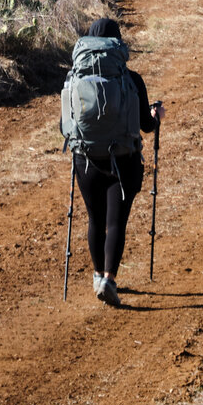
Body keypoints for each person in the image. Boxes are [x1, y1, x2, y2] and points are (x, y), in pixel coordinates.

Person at [61, 17, 162, 306]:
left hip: (87, 160)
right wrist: (156, 117)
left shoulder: (73, 78)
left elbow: (64, 127)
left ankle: (96, 276)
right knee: (116, 222)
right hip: (124, 160)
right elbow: (145, 125)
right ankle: (108, 278)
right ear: (117, 44)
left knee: (95, 219)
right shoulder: (132, 79)